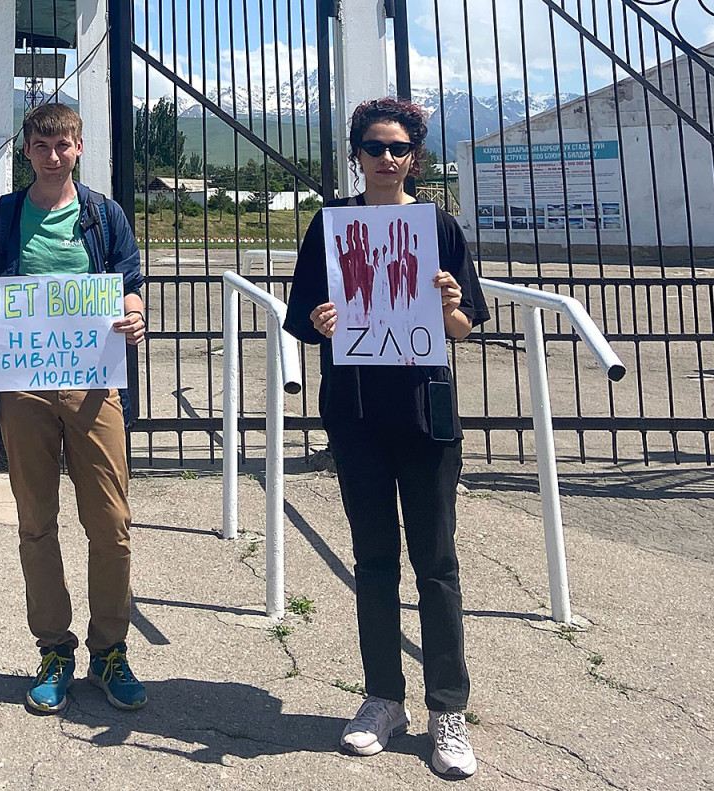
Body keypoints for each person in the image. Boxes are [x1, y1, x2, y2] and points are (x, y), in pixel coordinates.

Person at [283, 97, 489, 778]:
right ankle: (382, 696)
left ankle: (447, 708)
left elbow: (463, 329)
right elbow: (306, 320)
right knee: (373, 561)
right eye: (374, 147)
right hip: (358, 413)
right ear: (356, 154)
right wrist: (322, 317)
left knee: (436, 565)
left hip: (425, 415)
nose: (387, 159)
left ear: (416, 157)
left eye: (399, 148)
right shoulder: (332, 226)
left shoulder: (437, 226)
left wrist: (451, 306)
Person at [0, 103, 147, 715]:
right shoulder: (5, 217)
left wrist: (133, 315)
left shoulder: (103, 215)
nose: (52, 155)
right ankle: (54, 649)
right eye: (40, 144)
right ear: (25, 150)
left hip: (92, 385)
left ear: (79, 148)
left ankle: (110, 650)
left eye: (63, 144)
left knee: (110, 524)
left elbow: (129, 282)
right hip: (21, 386)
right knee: (36, 522)